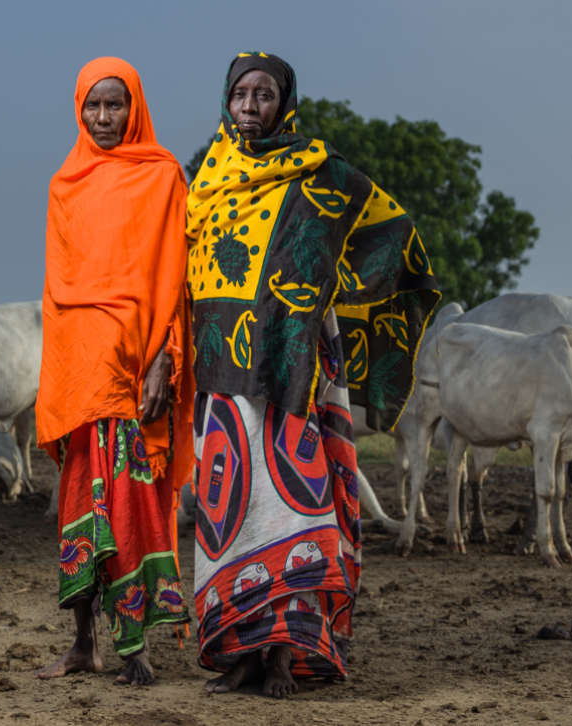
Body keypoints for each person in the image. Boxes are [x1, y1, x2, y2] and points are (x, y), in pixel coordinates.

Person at [187, 52, 440, 697]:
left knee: (290, 513)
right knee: (231, 514)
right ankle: (242, 655)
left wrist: (323, 296)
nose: (249, 106)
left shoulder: (321, 174)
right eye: (240, 94)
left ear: (285, 101)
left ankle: (283, 656)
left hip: (292, 372)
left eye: (263, 94)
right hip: (219, 380)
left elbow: (392, 235)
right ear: (226, 100)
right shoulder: (203, 178)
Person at [34, 57, 195, 686]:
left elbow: (174, 282)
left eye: (115, 105)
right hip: (81, 372)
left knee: (131, 506)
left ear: (136, 108)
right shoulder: (63, 185)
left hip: (137, 372)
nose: (103, 118)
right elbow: (58, 292)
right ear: (78, 110)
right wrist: (63, 374)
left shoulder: (162, 177)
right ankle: (84, 645)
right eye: (92, 107)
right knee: (80, 508)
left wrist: (164, 360)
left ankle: (136, 650)